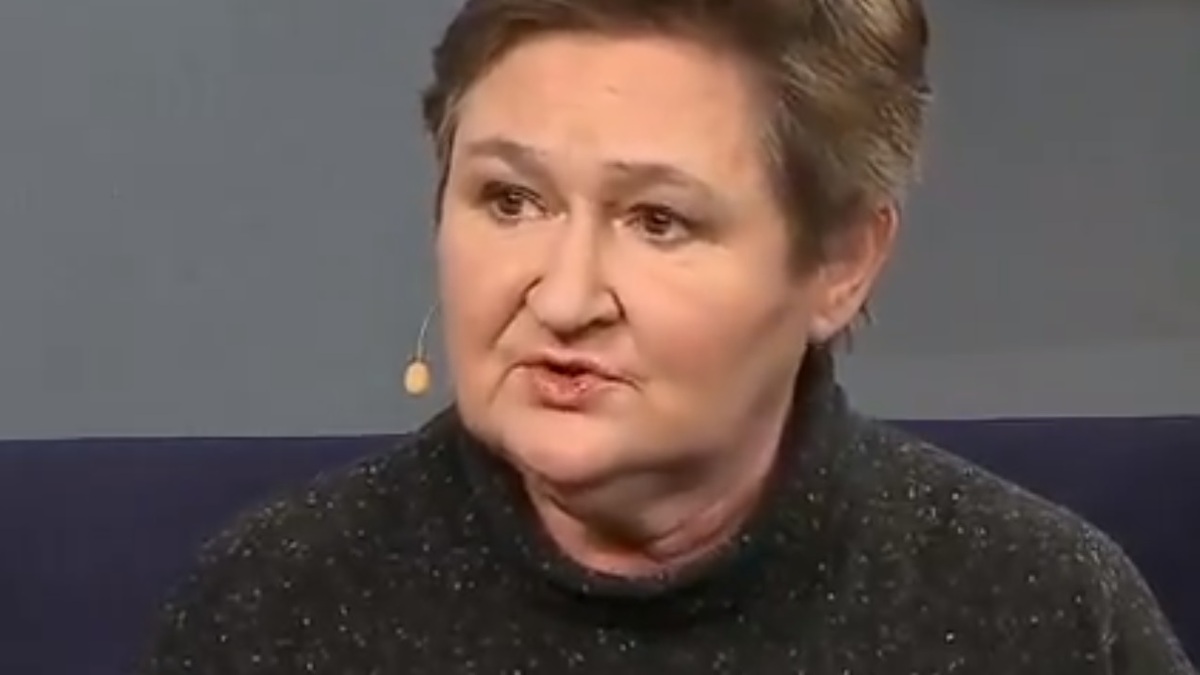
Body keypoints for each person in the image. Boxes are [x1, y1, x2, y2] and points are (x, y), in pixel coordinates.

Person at [140, 0, 1196, 673]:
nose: (564, 298)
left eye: (658, 220)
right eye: (510, 200)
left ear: (840, 263)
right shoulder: (274, 607)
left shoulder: (1044, 615)